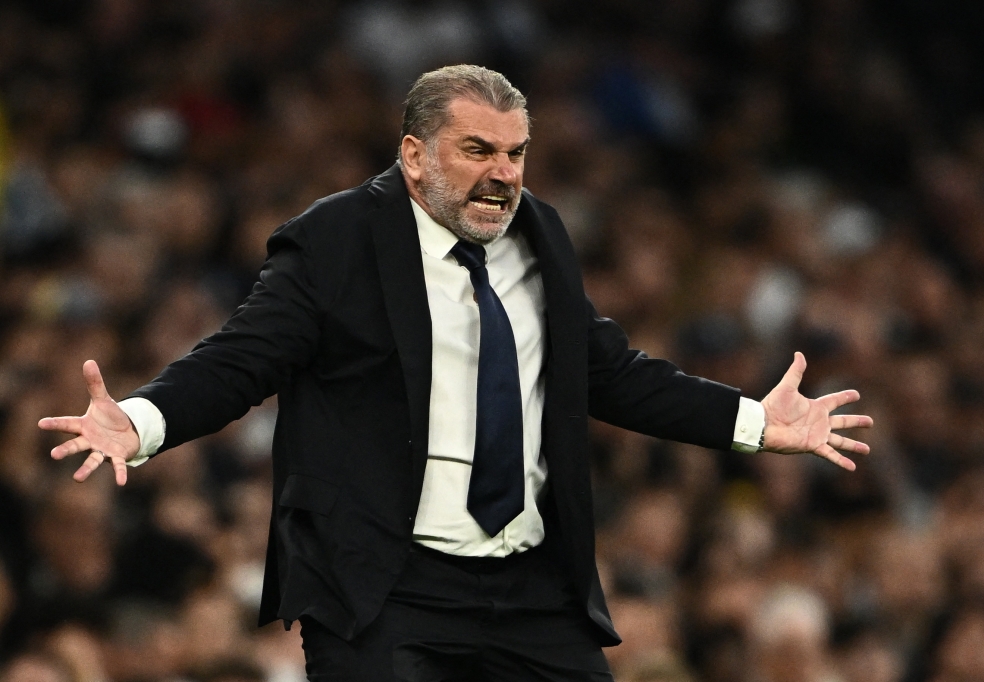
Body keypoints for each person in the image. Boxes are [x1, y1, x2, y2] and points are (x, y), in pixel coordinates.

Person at [38, 65, 872, 681]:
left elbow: (609, 371)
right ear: (413, 155)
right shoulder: (336, 242)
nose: (503, 173)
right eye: (478, 150)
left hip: (533, 586)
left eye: (515, 153)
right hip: (387, 590)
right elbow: (242, 359)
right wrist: (143, 421)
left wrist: (757, 423)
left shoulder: (541, 234)